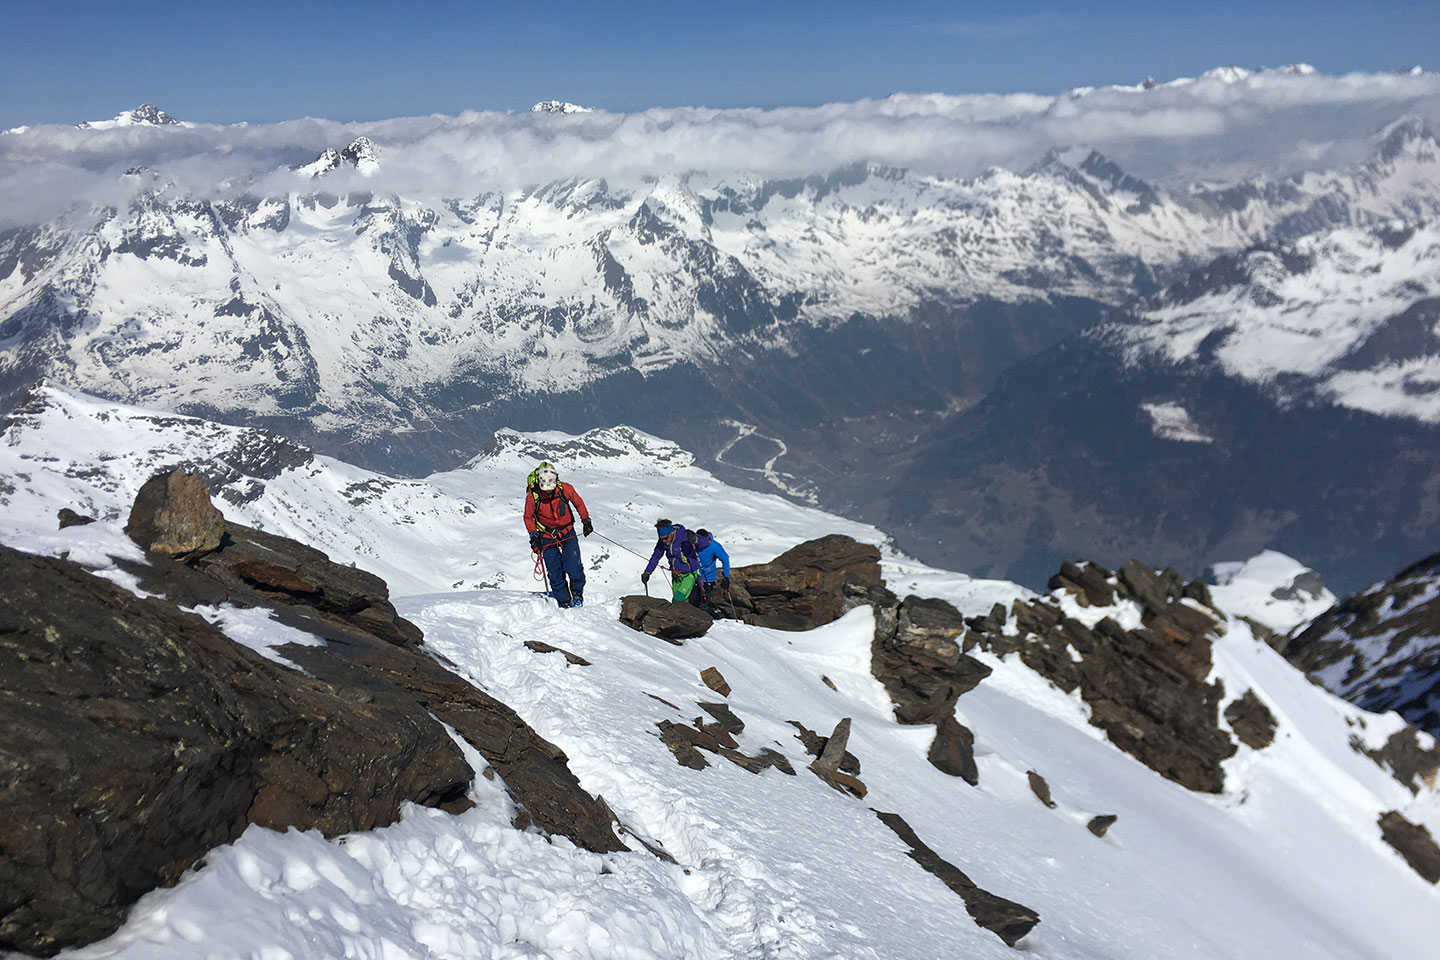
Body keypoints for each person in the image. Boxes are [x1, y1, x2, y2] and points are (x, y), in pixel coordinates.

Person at [523, 461, 593, 608]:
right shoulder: (533, 496)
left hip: (567, 531)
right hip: (546, 535)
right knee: (554, 571)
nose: (548, 492)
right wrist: (533, 535)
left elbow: (578, 502)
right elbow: (528, 517)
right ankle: (564, 601)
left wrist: (586, 520)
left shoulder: (564, 489)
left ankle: (577, 594)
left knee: (574, 566)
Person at [641, 518, 704, 606]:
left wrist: (696, 539)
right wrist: (648, 572)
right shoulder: (663, 541)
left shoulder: (684, 536)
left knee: (677, 599)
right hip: (676, 575)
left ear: (672, 532)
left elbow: (706, 543)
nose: (663, 541)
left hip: (689, 574)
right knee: (682, 602)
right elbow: (656, 556)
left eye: (666, 538)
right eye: (661, 538)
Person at [694, 528, 730, 593]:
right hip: (694, 577)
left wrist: (726, 576)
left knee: (705, 600)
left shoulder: (715, 546)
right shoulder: (694, 544)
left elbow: (725, 559)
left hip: (708, 578)